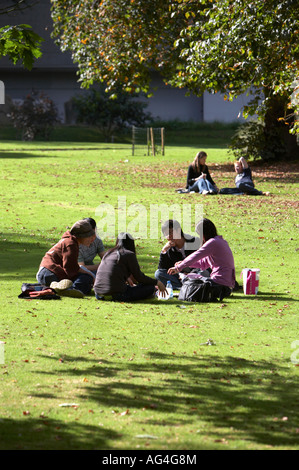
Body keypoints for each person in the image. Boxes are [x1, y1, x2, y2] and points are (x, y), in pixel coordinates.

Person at [94, 232, 166, 302]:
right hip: (117, 295)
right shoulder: (128, 254)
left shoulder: (108, 253)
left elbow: (113, 269)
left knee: (136, 287)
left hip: (99, 294)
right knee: (150, 288)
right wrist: (157, 282)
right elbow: (139, 277)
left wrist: (127, 278)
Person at [168, 218, 235, 291]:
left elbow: (195, 256)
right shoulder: (220, 241)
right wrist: (184, 264)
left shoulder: (213, 242)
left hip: (219, 283)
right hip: (225, 284)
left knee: (191, 282)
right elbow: (203, 263)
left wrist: (178, 267)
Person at [36, 219, 96, 297]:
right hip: (50, 273)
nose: (91, 239)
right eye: (88, 236)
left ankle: (59, 288)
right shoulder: (70, 244)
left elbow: (72, 267)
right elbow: (70, 269)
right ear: (81, 236)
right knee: (86, 278)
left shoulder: (70, 241)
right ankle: (70, 289)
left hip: (46, 273)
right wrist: (90, 275)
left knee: (86, 276)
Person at [155, 219, 204, 290]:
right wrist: (164, 250)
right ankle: (183, 287)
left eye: (170, 232)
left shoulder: (194, 241)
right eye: (166, 234)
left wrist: (190, 274)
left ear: (178, 230)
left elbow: (203, 262)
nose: (169, 236)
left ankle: (188, 285)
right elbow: (163, 269)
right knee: (158, 273)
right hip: (180, 276)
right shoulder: (170, 249)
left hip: (195, 273)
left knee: (204, 272)